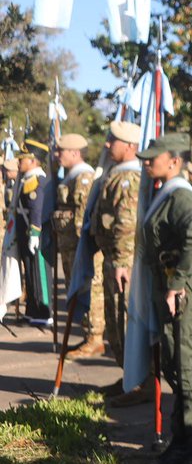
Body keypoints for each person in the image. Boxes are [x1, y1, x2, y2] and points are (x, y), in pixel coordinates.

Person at [135, 133, 192, 464]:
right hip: (170, 286)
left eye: (154, 156)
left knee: (183, 363)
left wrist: (177, 283)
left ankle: (187, 439)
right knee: (174, 361)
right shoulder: (163, 191)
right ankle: (190, 430)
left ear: (175, 161)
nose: (147, 161)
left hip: (182, 291)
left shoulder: (179, 195)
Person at [94, 121, 144, 400]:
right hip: (114, 259)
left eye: (112, 140)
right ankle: (129, 376)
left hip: (124, 262)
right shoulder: (118, 173)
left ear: (129, 147)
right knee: (115, 323)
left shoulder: (129, 179)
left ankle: (141, 383)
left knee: (127, 321)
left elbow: (126, 222)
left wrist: (123, 261)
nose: (106, 144)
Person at [52, 133, 104, 356]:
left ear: (75, 153)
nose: (56, 155)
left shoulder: (83, 177)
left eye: (60, 151)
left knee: (89, 288)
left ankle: (95, 338)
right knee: (77, 287)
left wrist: (83, 247)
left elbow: (82, 219)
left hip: (80, 247)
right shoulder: (70, 176)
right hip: (70, 247)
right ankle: (87, 336)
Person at [13, 140, 53, 325]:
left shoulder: (36, 181)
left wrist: (35, 232)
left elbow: (37, 209)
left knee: (39, 273)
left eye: (23, 159)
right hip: (25, 234)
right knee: (29, 272)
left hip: (36, 235)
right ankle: (33, 309)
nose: (19, 162)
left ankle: (44, 312)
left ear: (34, 161)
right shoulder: (26, 180)